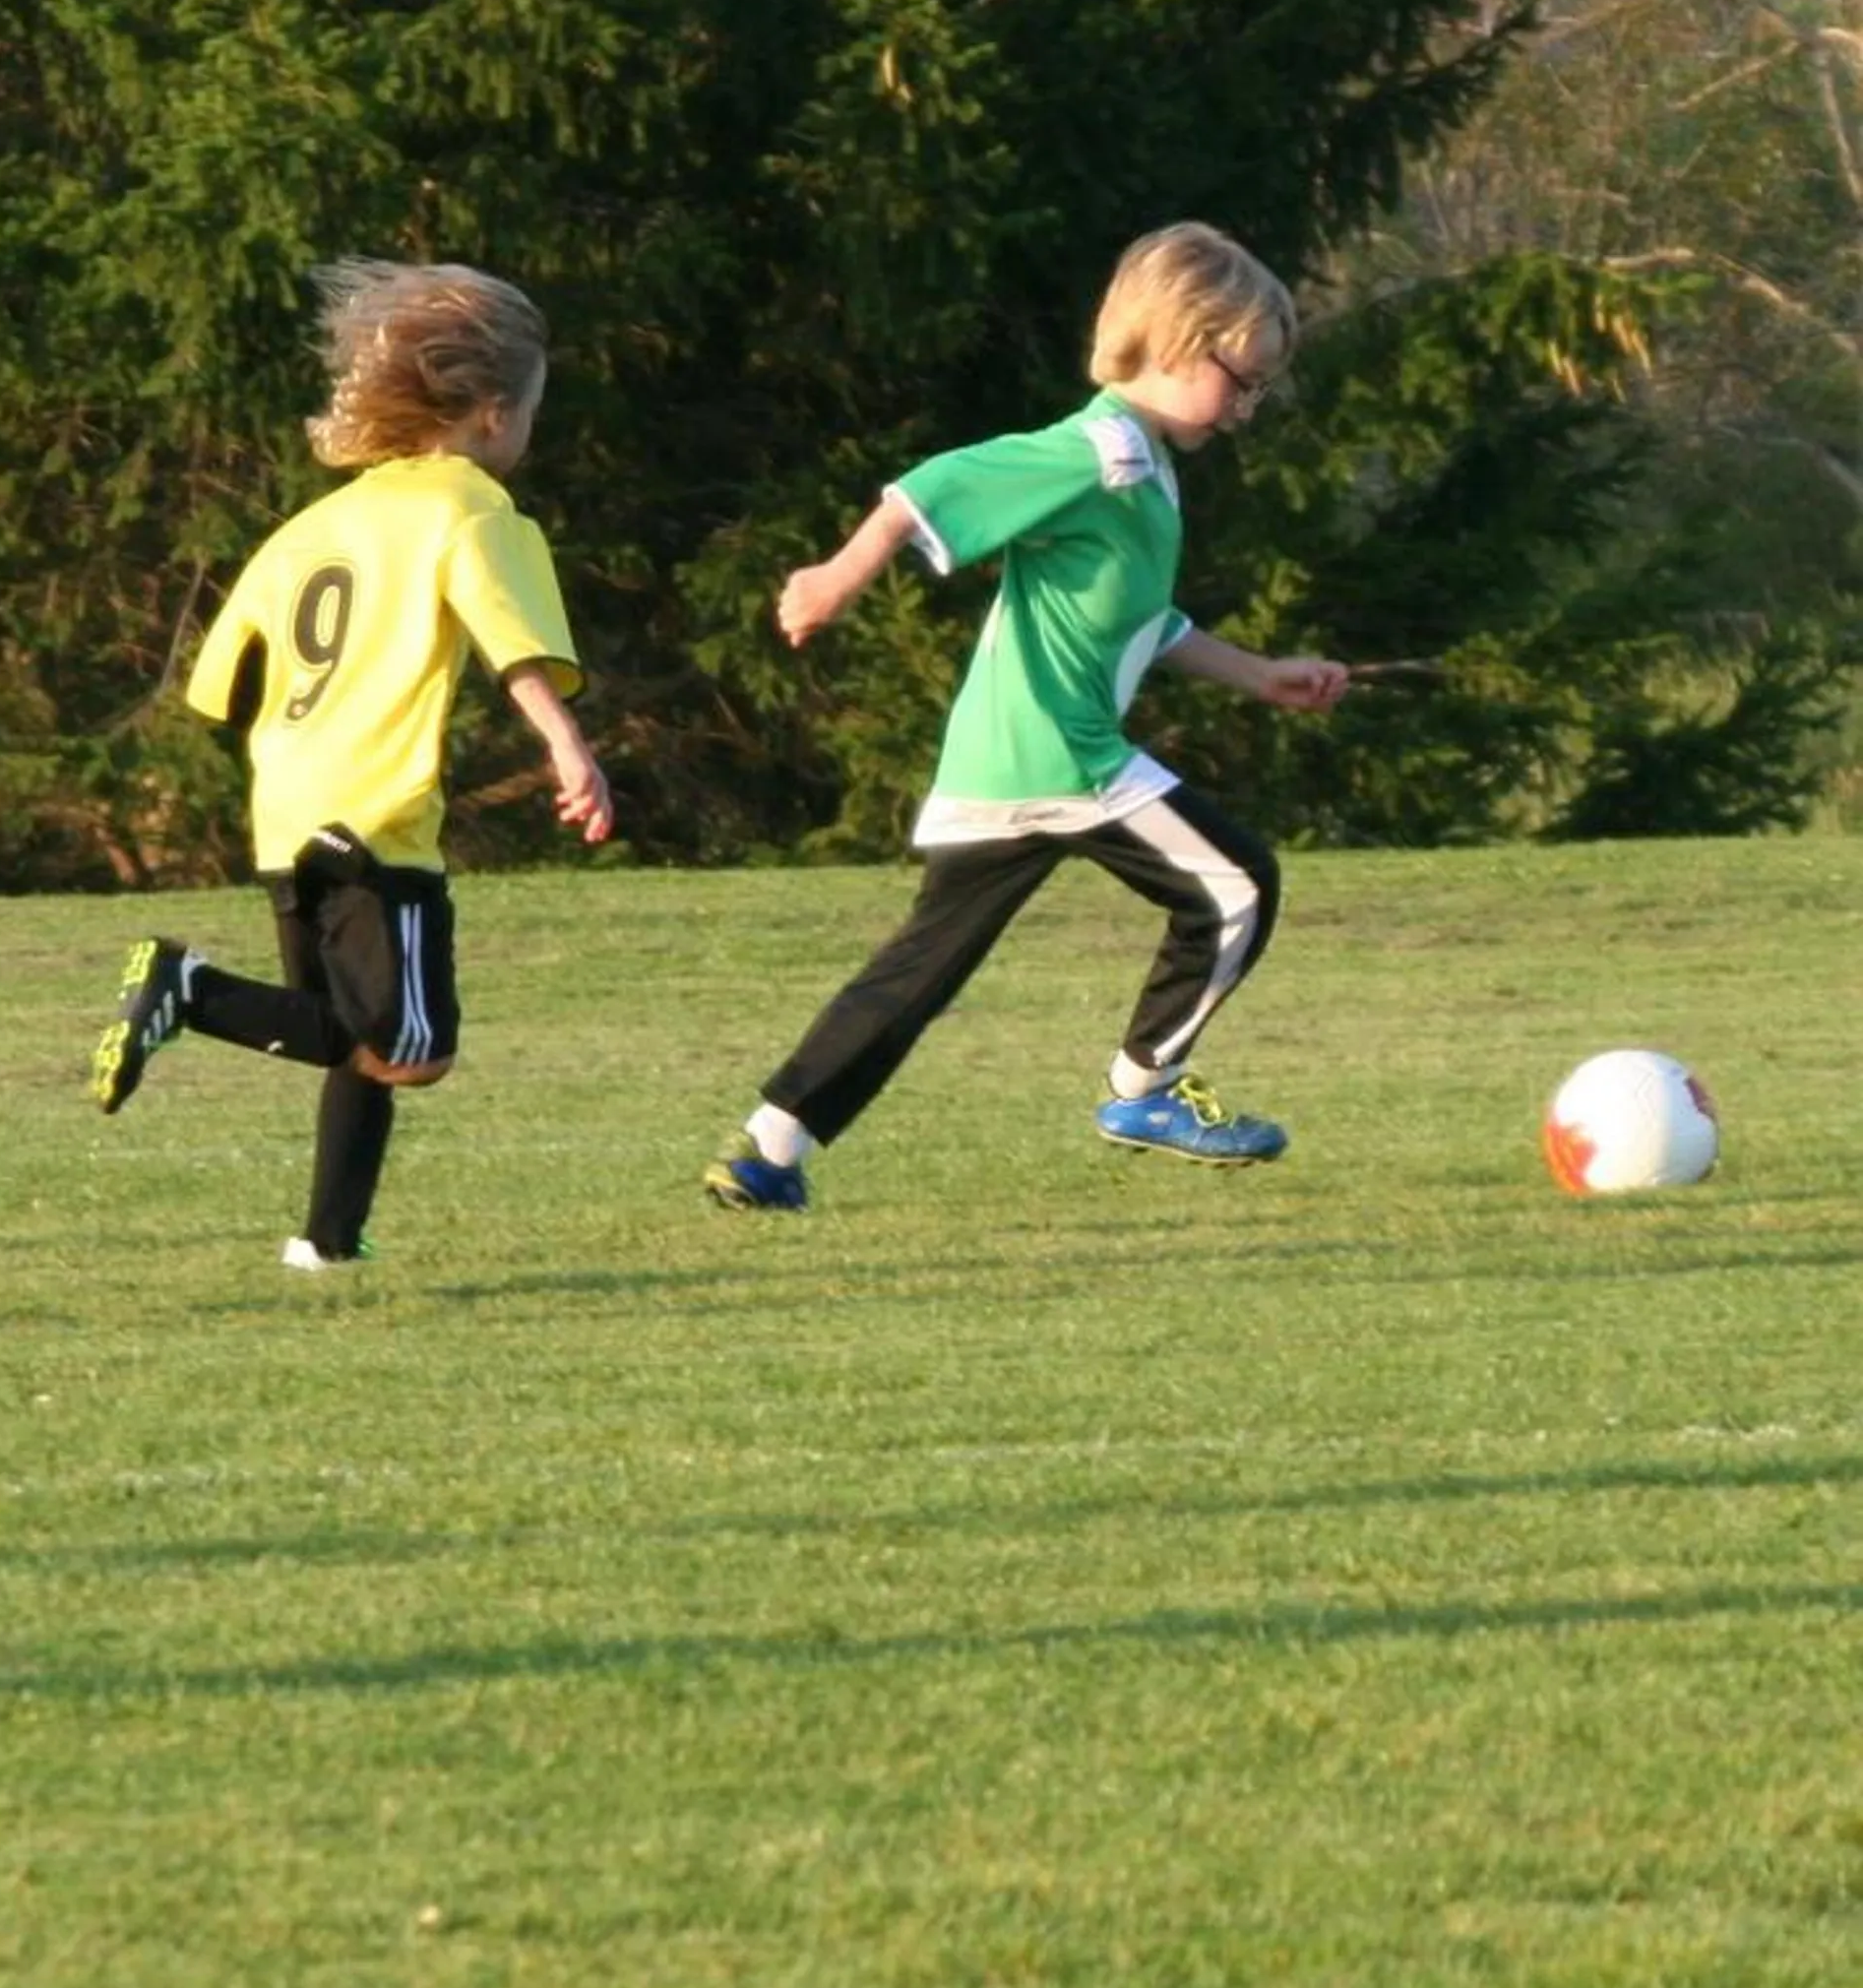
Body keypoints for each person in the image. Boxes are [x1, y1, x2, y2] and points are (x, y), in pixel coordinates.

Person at [704, 219, 1347, 1213]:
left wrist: (1257, 674)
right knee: (1236, 885)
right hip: (1063, 757)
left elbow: (1143, 618)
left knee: (915, 973)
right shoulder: (1099, 451)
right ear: (1176, 342)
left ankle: (766, 1149)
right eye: (1240, 379)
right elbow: (931, 489)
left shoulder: (1145, 465)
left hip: (999, 763)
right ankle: (1144, 1088)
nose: (1247, 408)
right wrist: (834, 578)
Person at [91, 257, 612, 1268]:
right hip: (377, 811)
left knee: (344, 1033)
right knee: (410, 1051)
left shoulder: (312, 525)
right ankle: (184, 988)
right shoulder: (467, 508)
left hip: (287, 803)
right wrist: (568, 746)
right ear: (492, 414)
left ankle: (327, 1242)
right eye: (535, 411)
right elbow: (506, 633)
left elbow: (214, 686)